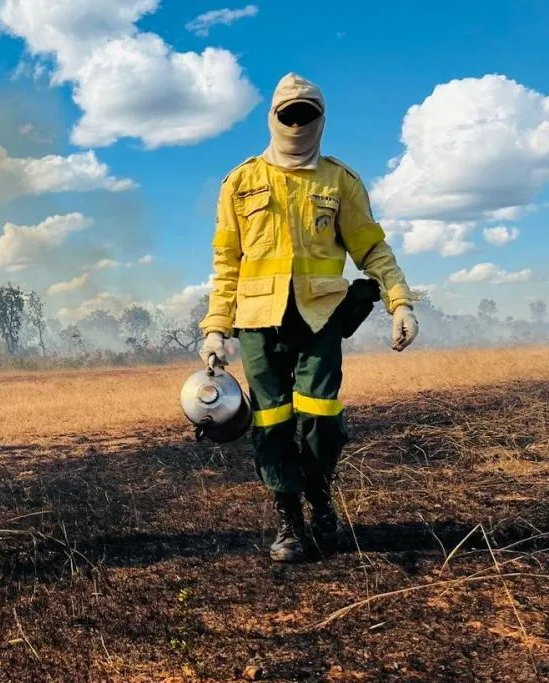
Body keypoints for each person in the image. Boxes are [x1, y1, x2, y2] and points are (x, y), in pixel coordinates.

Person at [198, 73, 418, 563]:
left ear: (321, 118)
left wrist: (399, 302)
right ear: (272, 117)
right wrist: (215, 327)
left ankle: (320, 503)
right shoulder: (241, 182)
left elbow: (372, 250)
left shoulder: (340, 181)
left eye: (307, 113)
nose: (297, 122)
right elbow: (226, 263)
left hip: (320, 318)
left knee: (322, 417)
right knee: (271, 422)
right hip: (257, 320)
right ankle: (289, 521)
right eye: (288, 113)